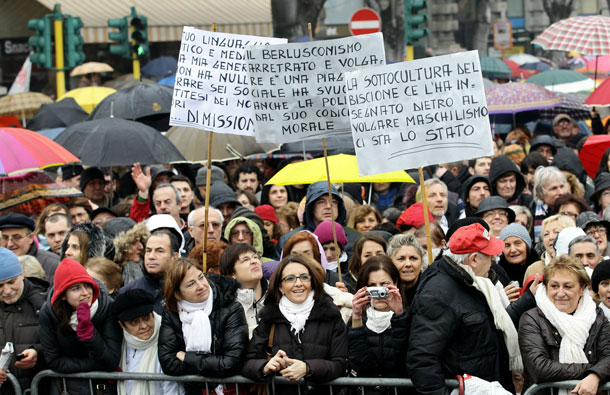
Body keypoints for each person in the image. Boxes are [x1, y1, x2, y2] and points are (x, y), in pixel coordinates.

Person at [407, 223, 522, 393]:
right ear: (474, 259)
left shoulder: (477, 283)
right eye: (489, 255)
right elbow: (422, 359)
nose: (493, 260)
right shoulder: (437, 295)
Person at [241, 255, 348, 393]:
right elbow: (248, 362)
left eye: (304, 277)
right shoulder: (270, 318)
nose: (298, 283)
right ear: (280, 286)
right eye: (290, 278)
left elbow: (340, 364)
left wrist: (308, 368)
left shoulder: (331, 315)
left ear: (312, 281)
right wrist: (265, 366)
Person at [518, 256, 610, 393]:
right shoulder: (531, 319)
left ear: (582, 289)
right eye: (554, 286)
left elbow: (608, 356)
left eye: (568, 286)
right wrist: (592, 370)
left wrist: (595, 376)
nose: (560, 293)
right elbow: (539, 368)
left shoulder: (597, 316)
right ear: (546, 287)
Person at [158, 258, 248, 394]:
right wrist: (212, 367)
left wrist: (188, 358)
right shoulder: (172, 314)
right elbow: (168, 362)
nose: (201, 286)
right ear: (177, 294)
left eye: (201, 277)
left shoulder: (231, 308)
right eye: (190, 284)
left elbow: (231, 362)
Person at [38, 258, 122, 394]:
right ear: (63, 295)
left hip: (101, 388)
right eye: (76, 288)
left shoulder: (106, 307)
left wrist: (89, 333)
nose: (85, 293)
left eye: (87, 285)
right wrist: (97, 365)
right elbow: (54, 361)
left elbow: (111, 361)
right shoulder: (49, 313)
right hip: (66, 388)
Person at [348, 256, 408, 382]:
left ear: (395, 283)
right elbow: (359, 365)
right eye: (372, 286)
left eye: (384, 285)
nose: (378, 291)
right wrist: (357, 316)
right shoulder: (357, 320)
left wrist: (399, 315)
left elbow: (403, 361)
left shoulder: (406, 318)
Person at [113, 289, 182, 395]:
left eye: (146, 317)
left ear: (153, 314)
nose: (144, 326)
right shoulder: (119, 345)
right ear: (122, 325)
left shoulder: (169, 337)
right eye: (134, 322)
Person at [0, 248, 48, 393]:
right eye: (0, 286)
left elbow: (62, 343)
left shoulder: (43, 302)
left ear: (22, 273)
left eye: (11, 282)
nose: (7, 291)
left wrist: (37, 353)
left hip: (39, 388)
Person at [277, 181, 361, 259]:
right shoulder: (289, 240)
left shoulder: (356, 239)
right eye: (321, 202)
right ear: (311, 207)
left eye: (334, 201)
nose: (328, 206)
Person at [121, 229, 180, 313]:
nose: (151, 256)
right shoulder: (128, 292)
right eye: (148, 251)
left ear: (174, 257)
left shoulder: (186, 287)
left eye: (159, 251)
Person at [219, 243, 266, 338]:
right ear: (232, 273)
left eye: (255, 257)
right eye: (245, 260)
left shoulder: (277, 294)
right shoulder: (225, 305)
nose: (254, 261)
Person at [0, 213, 59, 284]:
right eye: (5, 238)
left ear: (30, 238)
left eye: (17, 237)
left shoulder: (53, 264)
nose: (10, 244)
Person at [525, 214, 575, 282]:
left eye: (556, 232)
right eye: (546, 234)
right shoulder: (534, 269)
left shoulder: (581, 263)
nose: (551, 237)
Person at [386, 233, 426, 312]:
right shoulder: (384, 289)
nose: (408, 264)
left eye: (413, 258)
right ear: (390, 262)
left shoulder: (430, 289)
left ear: (422, 262)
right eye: (401, 259)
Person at [532, 166, 568, 239]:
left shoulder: (573, 208)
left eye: (562, 186)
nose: (561, 192)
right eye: (554, 188)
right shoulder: (532, 212)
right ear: (541, 193)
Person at [113, 221, 149, 286]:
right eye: (134, 243)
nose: (141, 247)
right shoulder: (110, 275)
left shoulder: (148, 268)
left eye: (141, 241)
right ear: (121, 248)